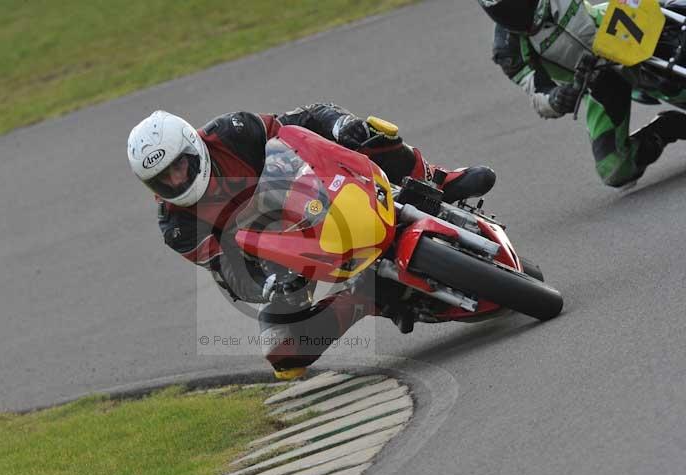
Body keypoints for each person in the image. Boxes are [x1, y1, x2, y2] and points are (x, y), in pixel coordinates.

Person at [127, 104, 496, 379]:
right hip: (274, 254)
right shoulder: (176, 226)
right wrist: (269, 285)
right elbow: (228, 270)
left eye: (180, 166)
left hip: (303, 189)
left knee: (373, 136)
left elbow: (301, 122)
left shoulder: (232, 131)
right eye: (164, 179)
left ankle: (438, 180)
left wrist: (342, 125)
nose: (177, 181)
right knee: (283, 354)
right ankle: (368, 298)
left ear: (195, 146)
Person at [480, 0, 686, 188]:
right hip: (596, 80)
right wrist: (558, 98)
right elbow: (537, 94)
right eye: (502, 10)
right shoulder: (508, 49)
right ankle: (670, 127)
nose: (513, 12)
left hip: (618, 28)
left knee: (673, 25)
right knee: (613, 168)